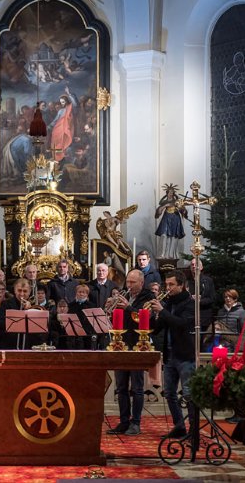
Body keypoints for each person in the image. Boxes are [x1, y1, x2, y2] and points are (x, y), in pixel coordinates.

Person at [149, 270, 196, 439]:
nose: (167, 288)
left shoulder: (189, 303)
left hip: (185, 355)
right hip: (169, 355)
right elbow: (157, 329)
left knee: (189, 393)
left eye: (171, 285)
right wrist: (151, 316)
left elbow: (181, 324)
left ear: (181, 285)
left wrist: (162, 311)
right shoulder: (168, 303)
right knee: (169, 392)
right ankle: (179, 426)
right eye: (166, 284)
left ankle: (194, 430)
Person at [107, 269, 154, 436]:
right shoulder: (125, 295)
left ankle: (136, 422)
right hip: (122, 344)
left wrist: (127, 307)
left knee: (137, 387)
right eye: (127, 282)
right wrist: (111, 309)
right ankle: (124, 421)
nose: (129, 286)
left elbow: (144, 318)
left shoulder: (148, 297)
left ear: (141, 283)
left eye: (132, 283)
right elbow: (119, 320)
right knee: (120, 387)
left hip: (138, 345)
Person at [155, 184, 187, 260]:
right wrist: (164, 206)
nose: (171, 193)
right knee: (164, 235)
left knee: (173, 236)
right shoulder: (164, 201)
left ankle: (170, 254)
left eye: (172, 192)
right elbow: (158, 212)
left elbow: (183, 211)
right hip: (166, 218)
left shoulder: (176, 201)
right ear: (167, 193)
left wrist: (180, 208)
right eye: (169, 192)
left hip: (175, 218)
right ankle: (162, 254)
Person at [188, 259, 217, 331]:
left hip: (204, 317)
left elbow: (212, 298)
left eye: (196, 264)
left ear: (201, 267)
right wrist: (191, 298)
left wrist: (200, 301)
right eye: (192, 264)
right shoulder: (187, 281)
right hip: (190, 317)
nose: (194, 266)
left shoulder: (208, 281)